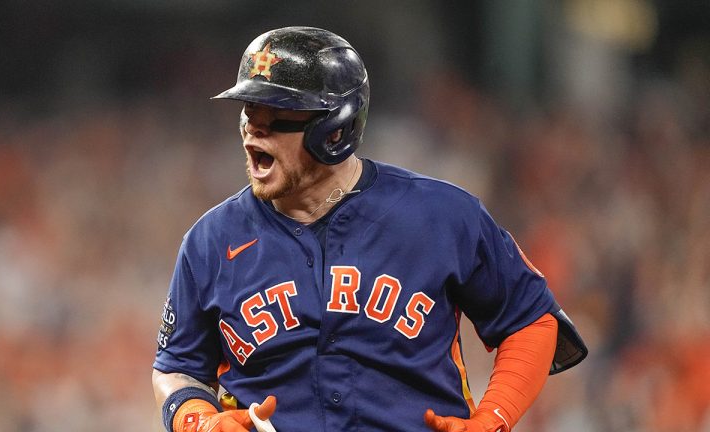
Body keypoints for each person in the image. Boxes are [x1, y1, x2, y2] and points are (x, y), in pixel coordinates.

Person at [152, 26, 587, 432]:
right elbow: (176, 367)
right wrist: (198, 420)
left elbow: (530, 320)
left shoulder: (441, 214)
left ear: (335, 128)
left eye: (279, 116)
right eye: (250, 113)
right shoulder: (210, 240)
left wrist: (493, 417)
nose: (254, 132)